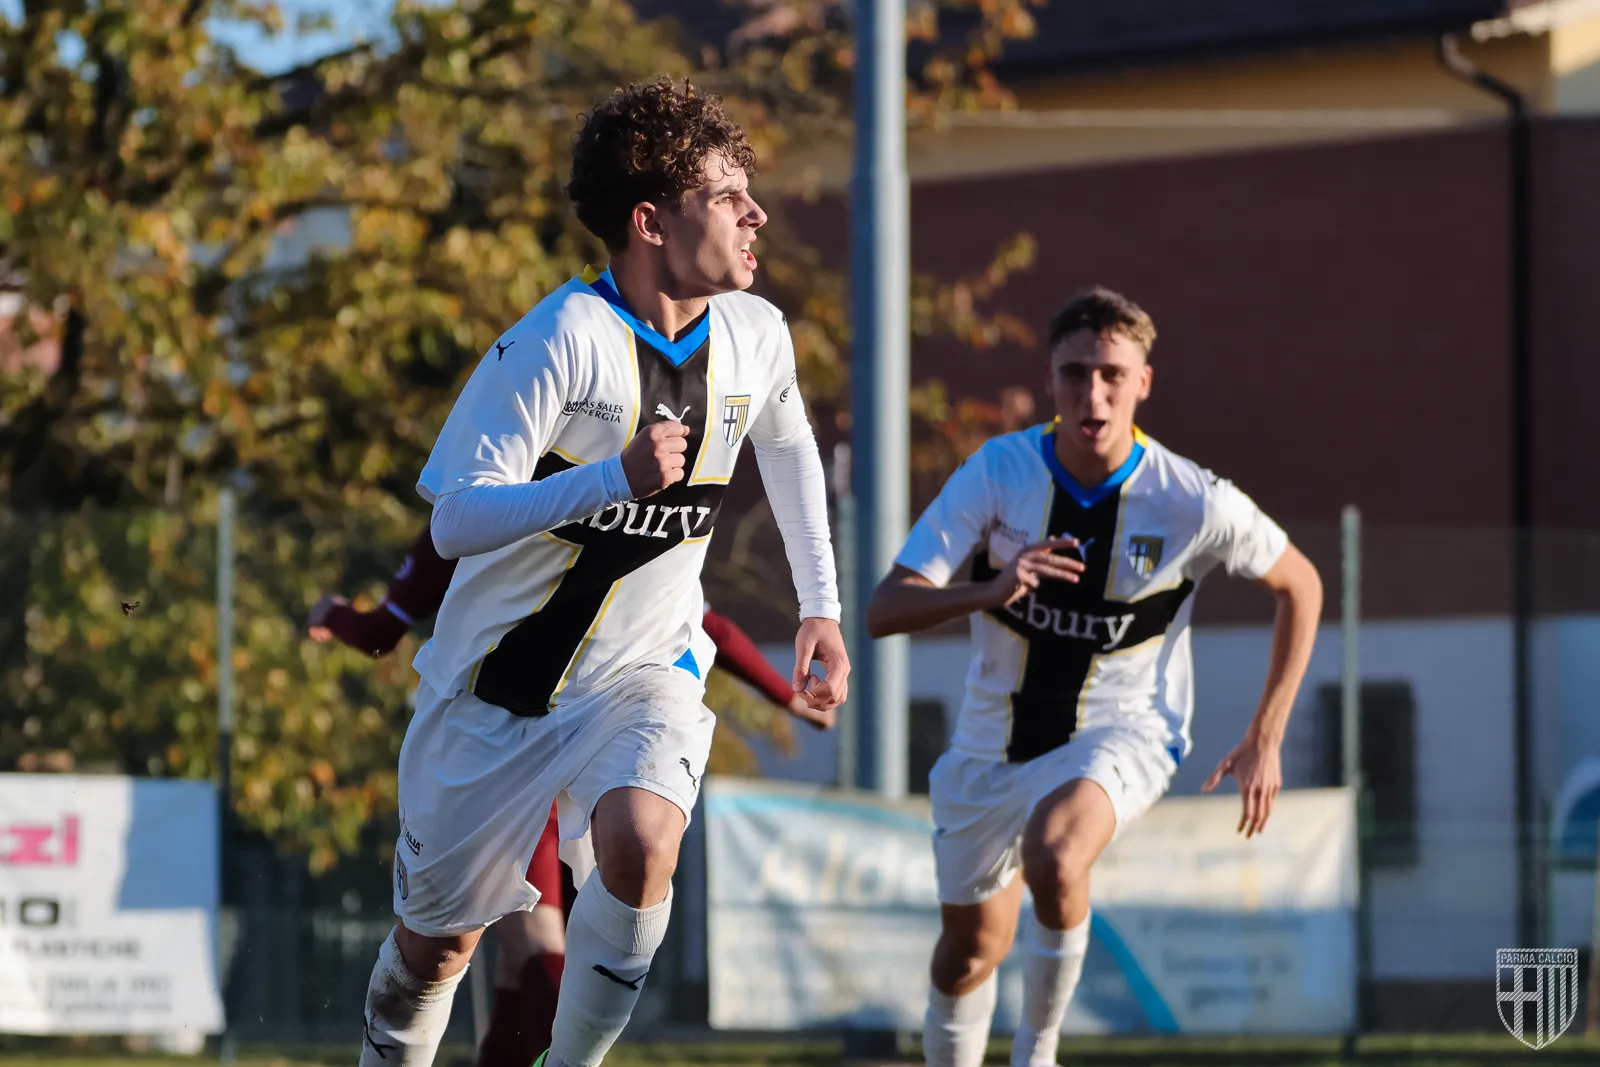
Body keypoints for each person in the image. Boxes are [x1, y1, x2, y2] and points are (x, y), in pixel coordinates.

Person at [354, 79, 848, 1067]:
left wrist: (820, 607)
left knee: (643, 841)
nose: (755, 214)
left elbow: (789, 444)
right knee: (435, 952)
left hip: (643, 671)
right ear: (650, 222)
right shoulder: (559, 339)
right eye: (727, 196)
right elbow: (455, 518)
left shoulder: (756, 332)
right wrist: (609, 479)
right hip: (497, 693)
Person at [866, 286, 1322, 1067]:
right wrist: (991, 589)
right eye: (1076, 374)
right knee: (969, 952)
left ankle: (1037, 1051)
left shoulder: (1191, 500)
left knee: (1055, 851)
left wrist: (1266, 734)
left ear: (1144, 382)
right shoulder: (999, 471)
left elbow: (1301, 584)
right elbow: (884, 608)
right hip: (990, 745)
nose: (1094, 394)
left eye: (1113, 374)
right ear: (1051, 379)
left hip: (1124, 729)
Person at [308, 523, 824, 1067]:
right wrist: (789, 695)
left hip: (554, 761)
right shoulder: (482, 503)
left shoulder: (615, 513)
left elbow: (380, 630)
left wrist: (333, 614)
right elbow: (713, 623)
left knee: (535, 951)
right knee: (511, 961)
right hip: (532, 762)